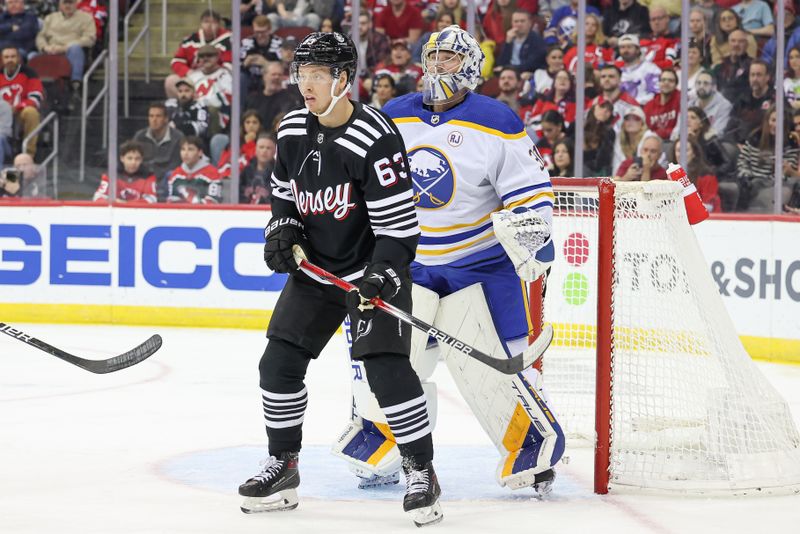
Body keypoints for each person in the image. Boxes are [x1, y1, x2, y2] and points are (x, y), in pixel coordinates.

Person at [336, 23, 564, 501]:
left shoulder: (497, 120)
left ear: (473, 66)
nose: (438, 66)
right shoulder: (392, 116)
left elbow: (531, 192)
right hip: (408, 261)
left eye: (450, 59)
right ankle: (385, 442)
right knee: (387, 358)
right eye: (433, 56)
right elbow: (360, 184)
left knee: (500, 366)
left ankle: (530, 447)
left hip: (480, 263)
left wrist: (532, 230)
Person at [237, 31, 443, 527]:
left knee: (385, 372)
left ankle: (421, 469)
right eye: (300, 74)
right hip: (317, 273)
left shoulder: (376, 137)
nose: (305, 85)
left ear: (343, 79)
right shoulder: (290, 129)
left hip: (372, 275)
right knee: (277, 364)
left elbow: (400, 231)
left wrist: (381, 277)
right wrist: (282, 226)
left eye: (316, 76)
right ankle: (283, 465)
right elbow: (283, 191)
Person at [736, 105, 800, 212]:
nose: (776, 125)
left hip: (775, 185)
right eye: (773, 120)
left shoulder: (791, 142)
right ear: (767, 121)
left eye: (780, 121)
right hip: (752, 182)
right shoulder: (755, 137)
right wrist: (747, 176)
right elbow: (742, 162)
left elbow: (787, 170)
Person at [35, 0, 96, 101]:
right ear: (60, 4)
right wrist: (45, 47)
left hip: (71, 50)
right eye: (65, 3)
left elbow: (90, 39)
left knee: (75, 49)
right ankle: (34, 90)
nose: (68, 5)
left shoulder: (86, 18)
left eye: (70, 2)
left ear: (76, 3)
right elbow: (40, 37)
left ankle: (75, 86)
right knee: (31, 56)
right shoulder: (50, 18)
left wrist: (66, 47)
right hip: (51, 50)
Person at [166, 9, 232, 99]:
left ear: (219, 24)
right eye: (206, 22)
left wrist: (216, 71)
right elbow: (176, 61)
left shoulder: (229, 39)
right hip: (194, 75)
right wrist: (188, 72)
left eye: (213, 22)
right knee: (170, 81)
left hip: (218, 76)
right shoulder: (190, 40)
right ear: (201, 23)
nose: (209, 25)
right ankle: (183, 108)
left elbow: (230, 64)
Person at [133, 103, 185, 200]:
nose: (154, 120)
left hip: (166, 181)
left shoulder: (178, 137)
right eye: (151, 116)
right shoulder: (140, 136)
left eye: (158, 116)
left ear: (166, 119)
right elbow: (134, 159)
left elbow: (176, 165)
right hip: (144, 179)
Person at [0, 46, 43, 157]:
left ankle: (28, 155)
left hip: (20, 112)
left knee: (31, 112)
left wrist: (17, 107)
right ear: (2, 59)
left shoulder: (29, 73)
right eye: (6, 57)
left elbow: (36, 98)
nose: (10, 60)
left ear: (19, 58)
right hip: (1, 114)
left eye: (13, 56)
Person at [668, 136, 722, 212]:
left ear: (694, 154)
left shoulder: (706, 176)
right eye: (679, 151)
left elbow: (709, 207)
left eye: (686, 150)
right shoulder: (669, 176)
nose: (682, 154)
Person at [93, 141, 157, 203]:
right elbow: (98, 197)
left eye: (137, 159)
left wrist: (126, 204)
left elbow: (151, 199)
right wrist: (112, 202)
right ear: (122, 158)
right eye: (129, 158)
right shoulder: (111, 175)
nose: (133, 162)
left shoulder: (148, 176)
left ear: (141, 160)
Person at [166, 136, 223, 204]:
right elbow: (171, 201)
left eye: (190, 149)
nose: (185, 153)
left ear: (200, 152)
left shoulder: (213, 173)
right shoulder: (176, 174)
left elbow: (213, 201)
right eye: (183, 149)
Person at [643, 68, 680, 141]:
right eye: (663, 80)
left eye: (671, 81)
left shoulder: (682, 100)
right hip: (654, 142)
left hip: (675, 142)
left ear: (676, 85)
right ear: (659, 83)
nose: (666, 83)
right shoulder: (649, 106)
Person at [240, 132, 275, 204]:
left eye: (268, 148)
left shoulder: (278, 174)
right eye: (261, 147)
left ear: (274, 151)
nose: (264, 151)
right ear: (255, 150)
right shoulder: (245, 171)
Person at [583, 100, 616, 177]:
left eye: (609, 110)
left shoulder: (610, 132)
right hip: (581, 170)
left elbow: (605, 159)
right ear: (594, 108)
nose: (605, 111)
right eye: (602, 107)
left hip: (602, 172)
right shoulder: (580, 127)